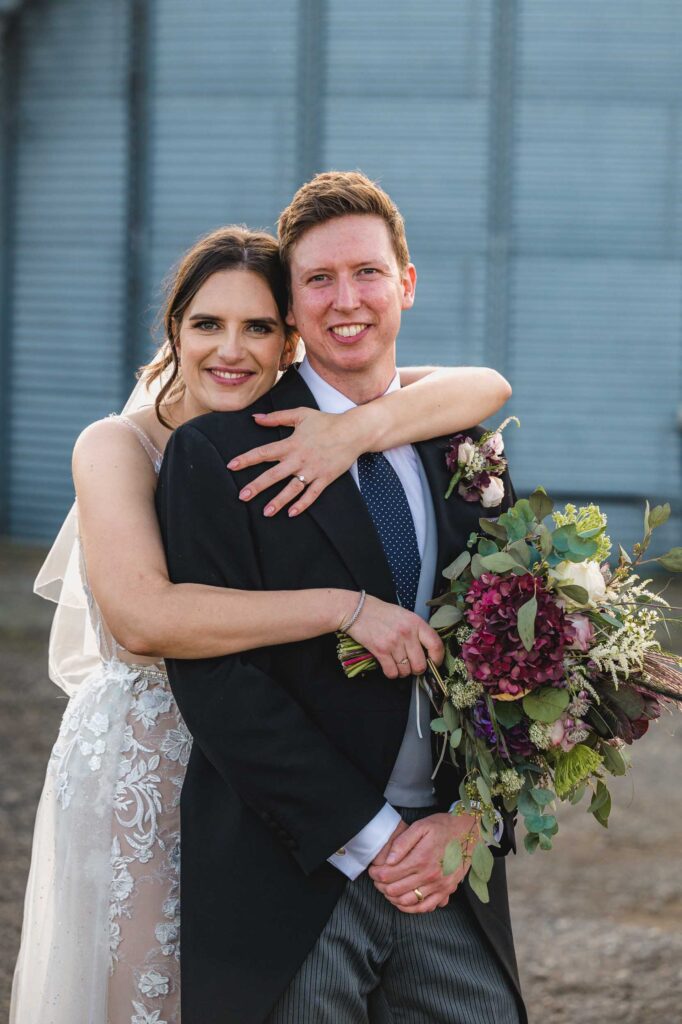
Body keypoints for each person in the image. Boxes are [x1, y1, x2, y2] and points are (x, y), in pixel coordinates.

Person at [10, 223, 513, 1024]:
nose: (230, 349)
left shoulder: (304, 428)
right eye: (207, 324)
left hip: (264, 781)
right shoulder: (118, 444)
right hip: (146, 760)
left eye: (257, 327)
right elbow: (145, 619)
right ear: (173, 329)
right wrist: (346, 610)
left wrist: (352, 431)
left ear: (288, 342)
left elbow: (482, 384)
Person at [157, 174, 527, 1024]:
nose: (345, 299)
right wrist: (369, 836)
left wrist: (475, 817)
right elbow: (217, 679)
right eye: (318, 280)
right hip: (295, 871)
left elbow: (516, 651)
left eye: (366, 272)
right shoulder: (218, 453)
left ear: (406, 281)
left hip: (449, 872)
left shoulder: (468, 447)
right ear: (292, 305)